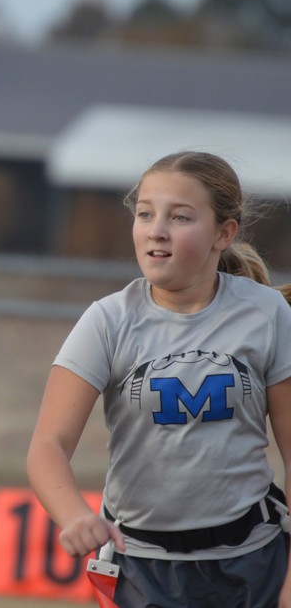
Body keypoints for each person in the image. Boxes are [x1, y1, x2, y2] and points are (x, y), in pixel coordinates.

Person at [26, 151, 291, 607]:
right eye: (146, 214)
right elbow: (46, 447)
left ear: (223, 233)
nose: (157, 229)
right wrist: (74, 516)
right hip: (139, 571)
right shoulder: (107, 320)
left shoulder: (267, 315)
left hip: (251, 566)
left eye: (180, 216)